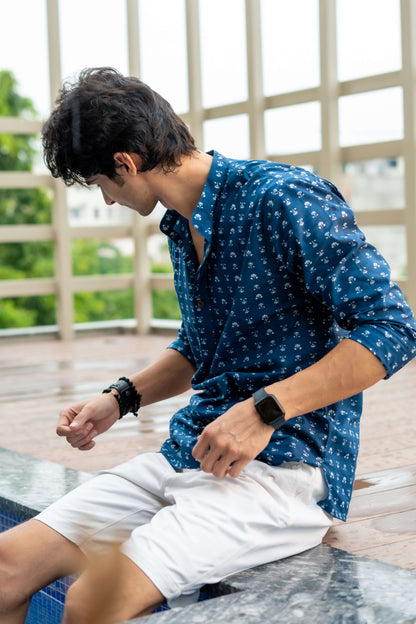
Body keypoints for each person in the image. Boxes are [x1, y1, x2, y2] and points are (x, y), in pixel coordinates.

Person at [0, 67, 415, 624]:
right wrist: (118, 399)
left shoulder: (284, 197)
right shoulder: (181, 225)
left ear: (126, 163)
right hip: (192, 451)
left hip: (282, 471)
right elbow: (199, 346)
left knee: (89, 603)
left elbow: (391, 328)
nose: (105, 200)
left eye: (101, 183)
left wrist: (264, 410)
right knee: (6, 568)